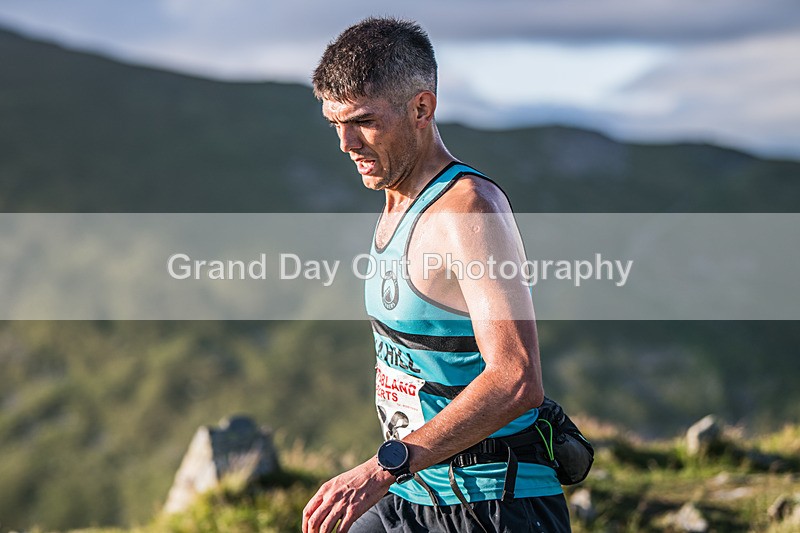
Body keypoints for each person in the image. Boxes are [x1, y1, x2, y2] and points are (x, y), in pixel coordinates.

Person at [303, 17, 571, 533]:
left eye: (363, 121)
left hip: (492, 502)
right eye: (334, 123)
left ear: (421, 109)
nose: (345, 143)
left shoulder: (468, 208)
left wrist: (381, 469)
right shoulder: (396, 202)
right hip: (412, 491)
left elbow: (516, 378)